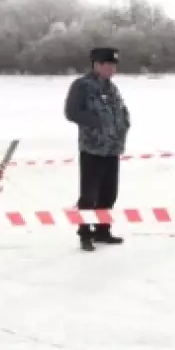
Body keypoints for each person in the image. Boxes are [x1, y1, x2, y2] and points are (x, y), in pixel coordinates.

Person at [64, 46, 131, 251]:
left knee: (109, 194)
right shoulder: (83, 86)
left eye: (114, 65)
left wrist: (124, 123)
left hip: (112, 148)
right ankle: (85, 233)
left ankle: (103, 230)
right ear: (97, 65)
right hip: (93, 148)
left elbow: (120, 110)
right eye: (109, 65)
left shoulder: (111, 88)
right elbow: (72, 112)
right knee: (89, 195)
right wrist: (97, 124)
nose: (113, 69)